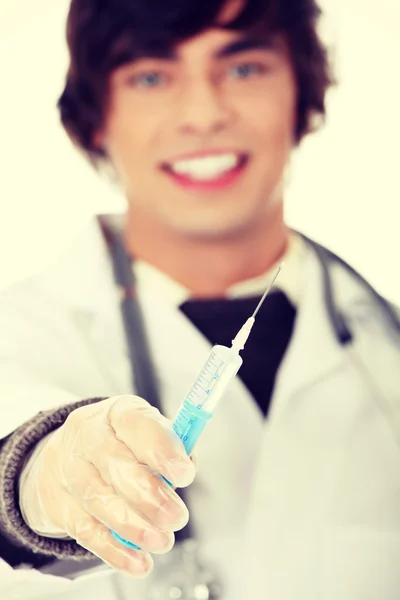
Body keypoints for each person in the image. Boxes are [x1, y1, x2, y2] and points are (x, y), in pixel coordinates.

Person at [1, 0, 400, 598]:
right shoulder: (26, 332)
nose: (204, 114)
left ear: (303, 96)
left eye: (243, 69)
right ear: (94, 118)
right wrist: (44, 472)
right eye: (151, 77)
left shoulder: (382, 338)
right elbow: (15, 441)